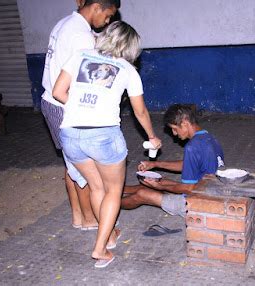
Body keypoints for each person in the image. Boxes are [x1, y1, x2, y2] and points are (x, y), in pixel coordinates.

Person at [52, 21, 162, 268]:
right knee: (113, 190)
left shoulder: (79, 56)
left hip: (71, 134)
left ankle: (109, 235)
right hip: (103, 136)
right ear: (131, 48)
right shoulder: (127, 70)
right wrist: (152, 137)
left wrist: (82, 111)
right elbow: (140, 111)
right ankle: (100, 250)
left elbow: (59, 93)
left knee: (96, 187)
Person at [41, 0, 120, 230]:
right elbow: (88, 82)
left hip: (52, 102)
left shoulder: (64, 23)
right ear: (97, 7)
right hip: (64, 105)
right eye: (108, 15)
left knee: (72, 164)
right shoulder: (82, 36)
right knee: (84, 168)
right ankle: (89, 219)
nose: (107, 21)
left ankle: (78, 216)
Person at [121, 104, 225, 218]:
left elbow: (188, 189)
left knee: (143, 194)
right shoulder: (208, 137)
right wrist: (155, 164)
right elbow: (188, 164)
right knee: (155, 182)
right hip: (211, 192)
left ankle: (111, 204)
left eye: (174, 129)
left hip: (198, 204)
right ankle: (117, 191)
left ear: (185, 123)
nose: (174, 134)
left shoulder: (192, 147)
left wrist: (161, 187)